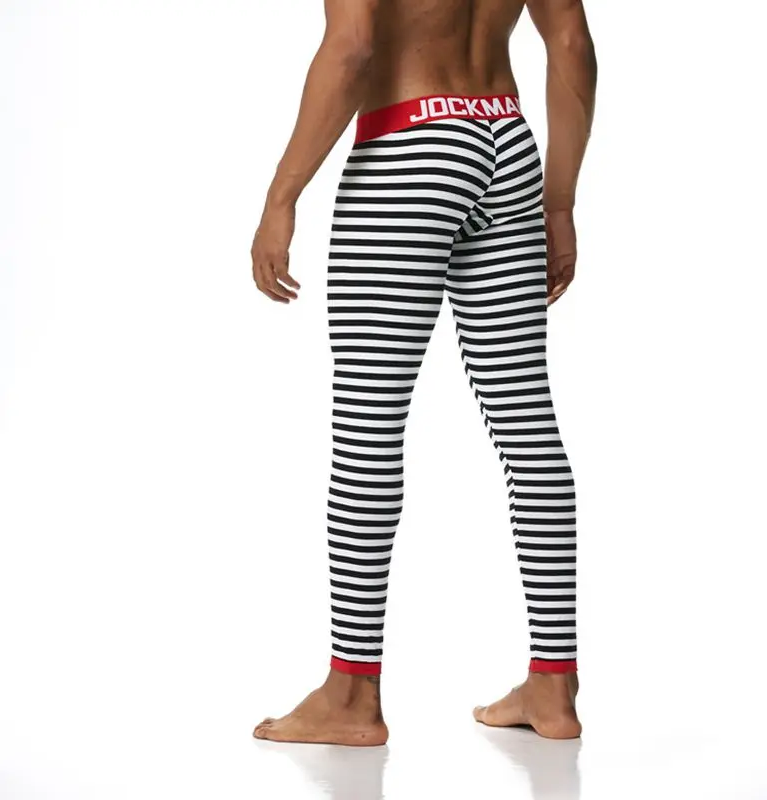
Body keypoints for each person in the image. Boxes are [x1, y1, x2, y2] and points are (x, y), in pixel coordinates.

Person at [251, 0, 596, 745]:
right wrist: (560, 202)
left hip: (408, 150)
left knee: (369, 431)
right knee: (529, 427)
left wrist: (281, 196)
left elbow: (352, 49)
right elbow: (570, 41)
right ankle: (553, 684)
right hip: (506, 148)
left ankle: (351, 694)